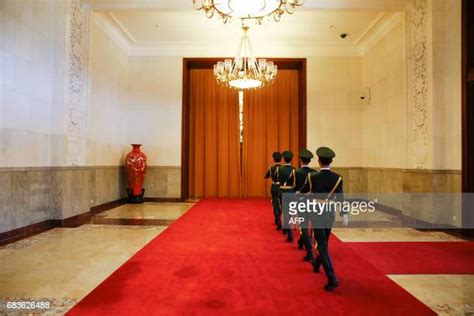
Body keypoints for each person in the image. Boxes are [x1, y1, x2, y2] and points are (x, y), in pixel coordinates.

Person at [301, 146, 349, 291]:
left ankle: (332, 277)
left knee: (321, 244)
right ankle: (317, 264)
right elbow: (340, 197)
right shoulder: (338, 178)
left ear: (319, 161)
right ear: (331, 162)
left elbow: (303, 192)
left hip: (316, 211)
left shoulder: (312, 177)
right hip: (329, 212)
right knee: (324, 242)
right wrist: (344, 213)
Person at [294, 149, 317, 261]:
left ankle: (309, 252)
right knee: (311, 225)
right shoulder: (314, 173)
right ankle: (301, 241)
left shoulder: (296, 172)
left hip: (301, 200)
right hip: (312, 202)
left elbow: (294, 188)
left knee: (303, 226)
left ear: (300, 160)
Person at [277, 150, 296, 242]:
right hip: (291, 192)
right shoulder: (295, 170)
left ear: (284, 159)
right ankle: (290, 227)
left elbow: (278, 179)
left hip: (282, 191)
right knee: (291, 211)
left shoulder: (279, 169)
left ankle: (289, 233)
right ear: (291, 159)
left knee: (285, 212)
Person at [264, 152, 283, 230]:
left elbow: (266, 176)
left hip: (274, 187)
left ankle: (277, 221)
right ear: (281, 159)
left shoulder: (271, 168)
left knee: (275, 204)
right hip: (282, 187)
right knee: (281, 203)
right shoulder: (283, 168)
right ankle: (278, 218)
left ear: (273, 159)